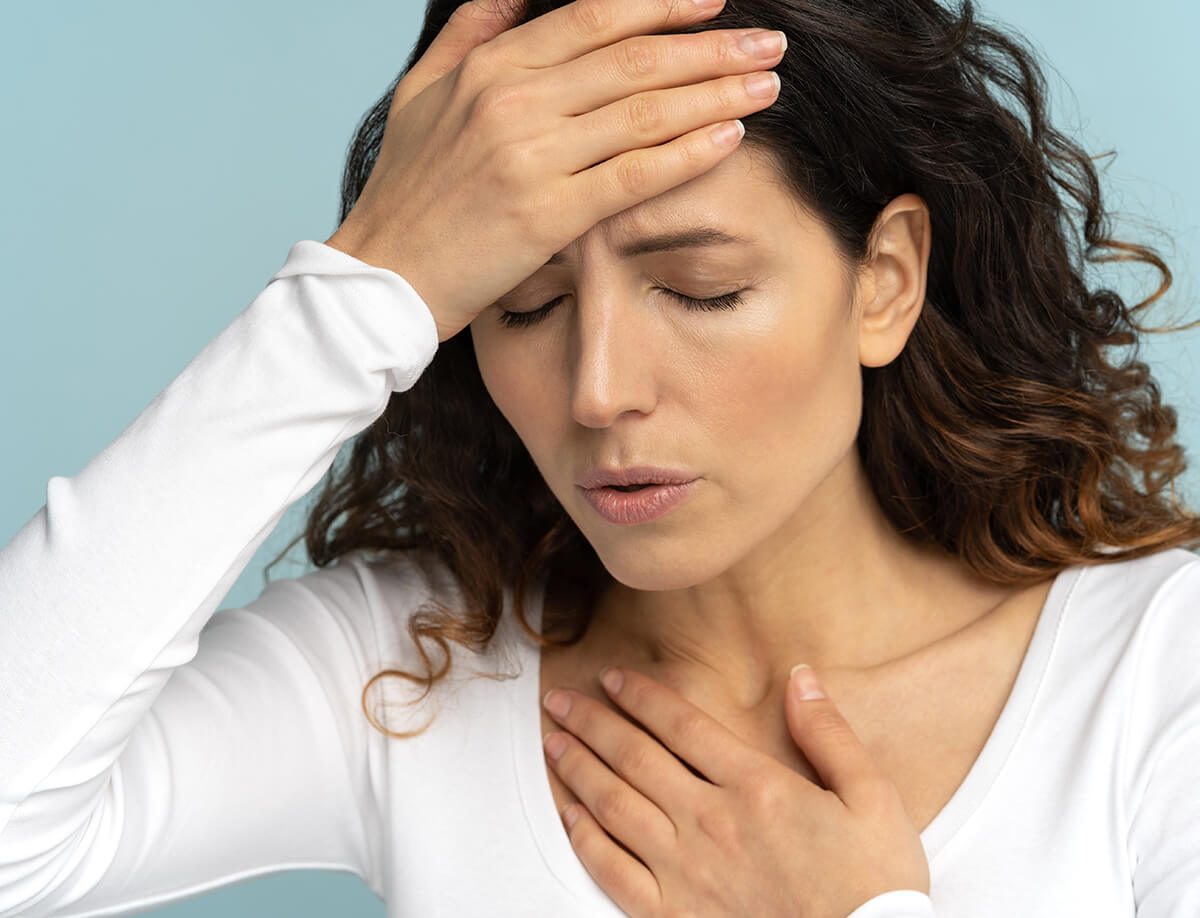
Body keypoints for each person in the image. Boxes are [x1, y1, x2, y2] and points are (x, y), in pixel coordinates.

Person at [2, 0, 1198, 914]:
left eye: (701, 289)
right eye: (522, 305)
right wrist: (370, 286)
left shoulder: (1155, 673)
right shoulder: (412, 674)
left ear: (883, 281)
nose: (599, 390)